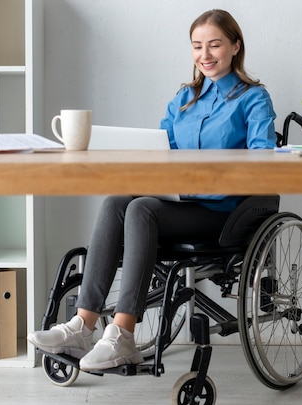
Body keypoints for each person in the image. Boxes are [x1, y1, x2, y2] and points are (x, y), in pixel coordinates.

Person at [27, 9, 277, 371]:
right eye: (197, 46)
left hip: (224, 213)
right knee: (118, 201)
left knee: (142, 208)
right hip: (176, 202)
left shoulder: (253, 99)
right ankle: (82, 326)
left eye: (214, 45)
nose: (205, 55)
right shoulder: (184, 100)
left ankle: (123, 335)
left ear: (235, 46)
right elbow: (161, 152)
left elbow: (262, 162)